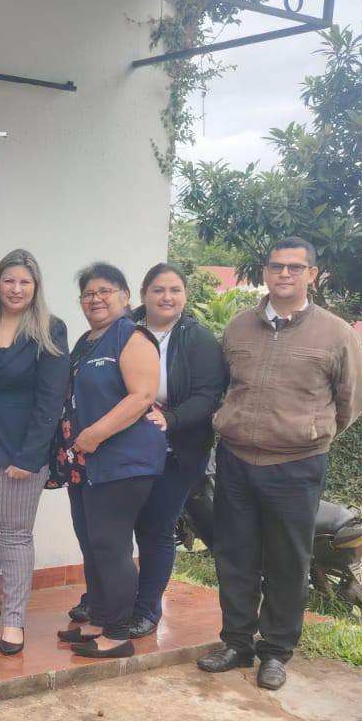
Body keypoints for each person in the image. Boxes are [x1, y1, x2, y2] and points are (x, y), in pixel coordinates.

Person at [198, 237, 362, 690]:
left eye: (295, 267)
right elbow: (224, 386)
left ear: (311, 274)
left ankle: (275, 652)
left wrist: (311, 434)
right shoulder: (239, 327)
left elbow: (351, 402)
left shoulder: (336, 334)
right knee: (234, 556)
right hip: (235, 460)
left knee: (287, 562)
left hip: (296, 466)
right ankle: (237, 642)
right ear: (265, 272)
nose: (284, 274)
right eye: (276, 266)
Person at [55, 262, 165, 659]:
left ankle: (118, 634)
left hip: (121, 462)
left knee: (111, 546)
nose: (95, 299)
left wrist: (95, 434)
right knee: (92, 543)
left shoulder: (132, 337)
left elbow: (141, 396)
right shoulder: (86, 342)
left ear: (125, 296)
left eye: (105, 291)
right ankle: (100, 619)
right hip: (86, 464)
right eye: (88, 294)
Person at [0, 249, 69, 655]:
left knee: (12, 537)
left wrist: (30, 457)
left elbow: (51, 399)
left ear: (36, 287)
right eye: (9, 280)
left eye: (24, 282)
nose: (16, 289)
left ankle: (14, 620)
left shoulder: (49, 329)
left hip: (18, 451)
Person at [129, 263, 226, 637]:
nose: (166, 297)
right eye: (158, 290)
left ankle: (146, 609)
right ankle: (105, 598)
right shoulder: (125, 329)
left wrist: (170, 419)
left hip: (178, 450)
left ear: (185, 295)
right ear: (144, 294)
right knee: (112, 526)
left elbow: (207, 396)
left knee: (155, 526)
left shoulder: (198, 339)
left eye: (174, 290)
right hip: (124, 446)